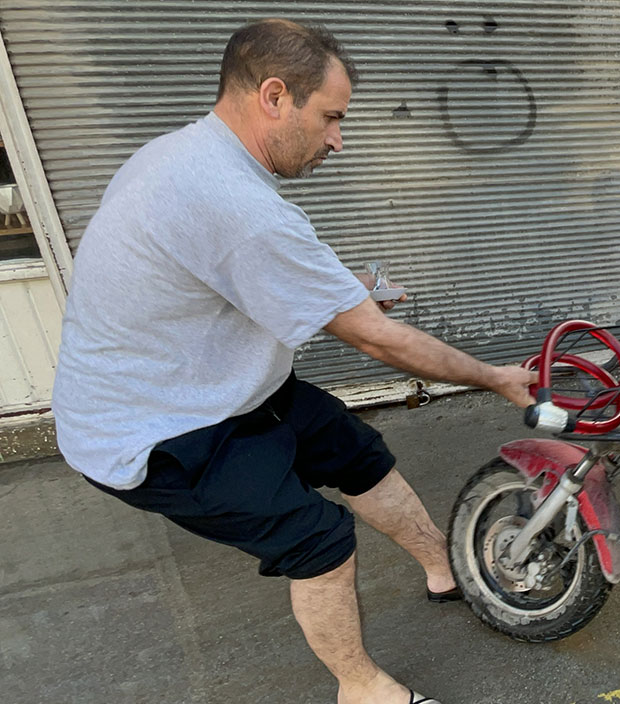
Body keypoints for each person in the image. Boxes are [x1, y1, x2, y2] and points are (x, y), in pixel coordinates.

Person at [51, 19, 534, 704]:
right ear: (274, 97)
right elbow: (376, 341)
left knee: (357, 453)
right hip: (154, 426)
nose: (338, 139)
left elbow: (243, 272)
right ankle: (363, 689)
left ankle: (446, 566)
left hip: (221, 378)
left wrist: (351, 294)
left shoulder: (189, 156)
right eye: (331, 118)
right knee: (319, 541)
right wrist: (494, 377)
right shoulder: (232, 200)